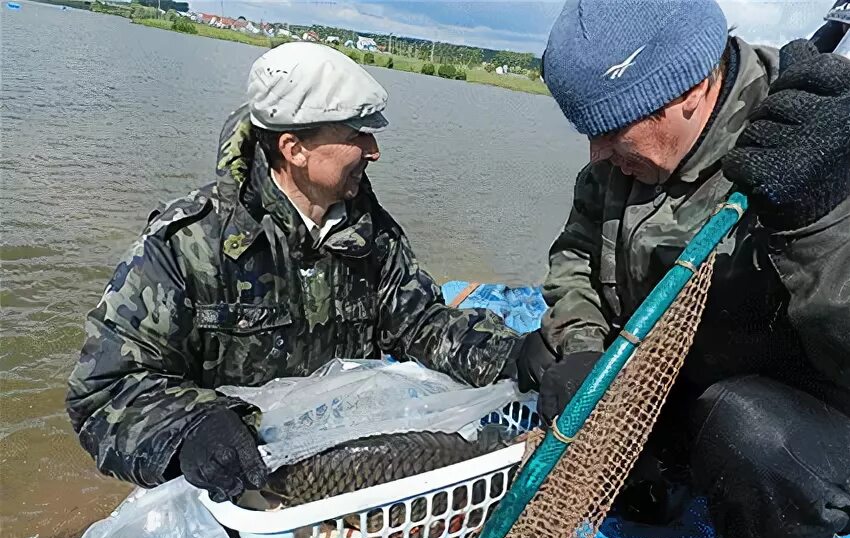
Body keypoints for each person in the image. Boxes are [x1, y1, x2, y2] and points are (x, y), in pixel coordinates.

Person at [66, 42, 525, 508]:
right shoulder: (188, 242)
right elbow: (105, 392)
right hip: (236, 491)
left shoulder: (371, 233)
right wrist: (191, 427)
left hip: (348, 482)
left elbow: (421, 323)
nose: (374, 150)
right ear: (294, 148)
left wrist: (517, 356)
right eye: (358, 134)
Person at [523, 0, 850, 538]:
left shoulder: (821, 136)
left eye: (615, 129)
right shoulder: (615, 166)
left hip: (800, 422)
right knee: (545, 359)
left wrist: (817, 218)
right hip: (678, 381)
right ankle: (657, 481)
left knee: (750, 429)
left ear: (693, 90)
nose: (595, 154)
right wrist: (587, 350)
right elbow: (573, 258)